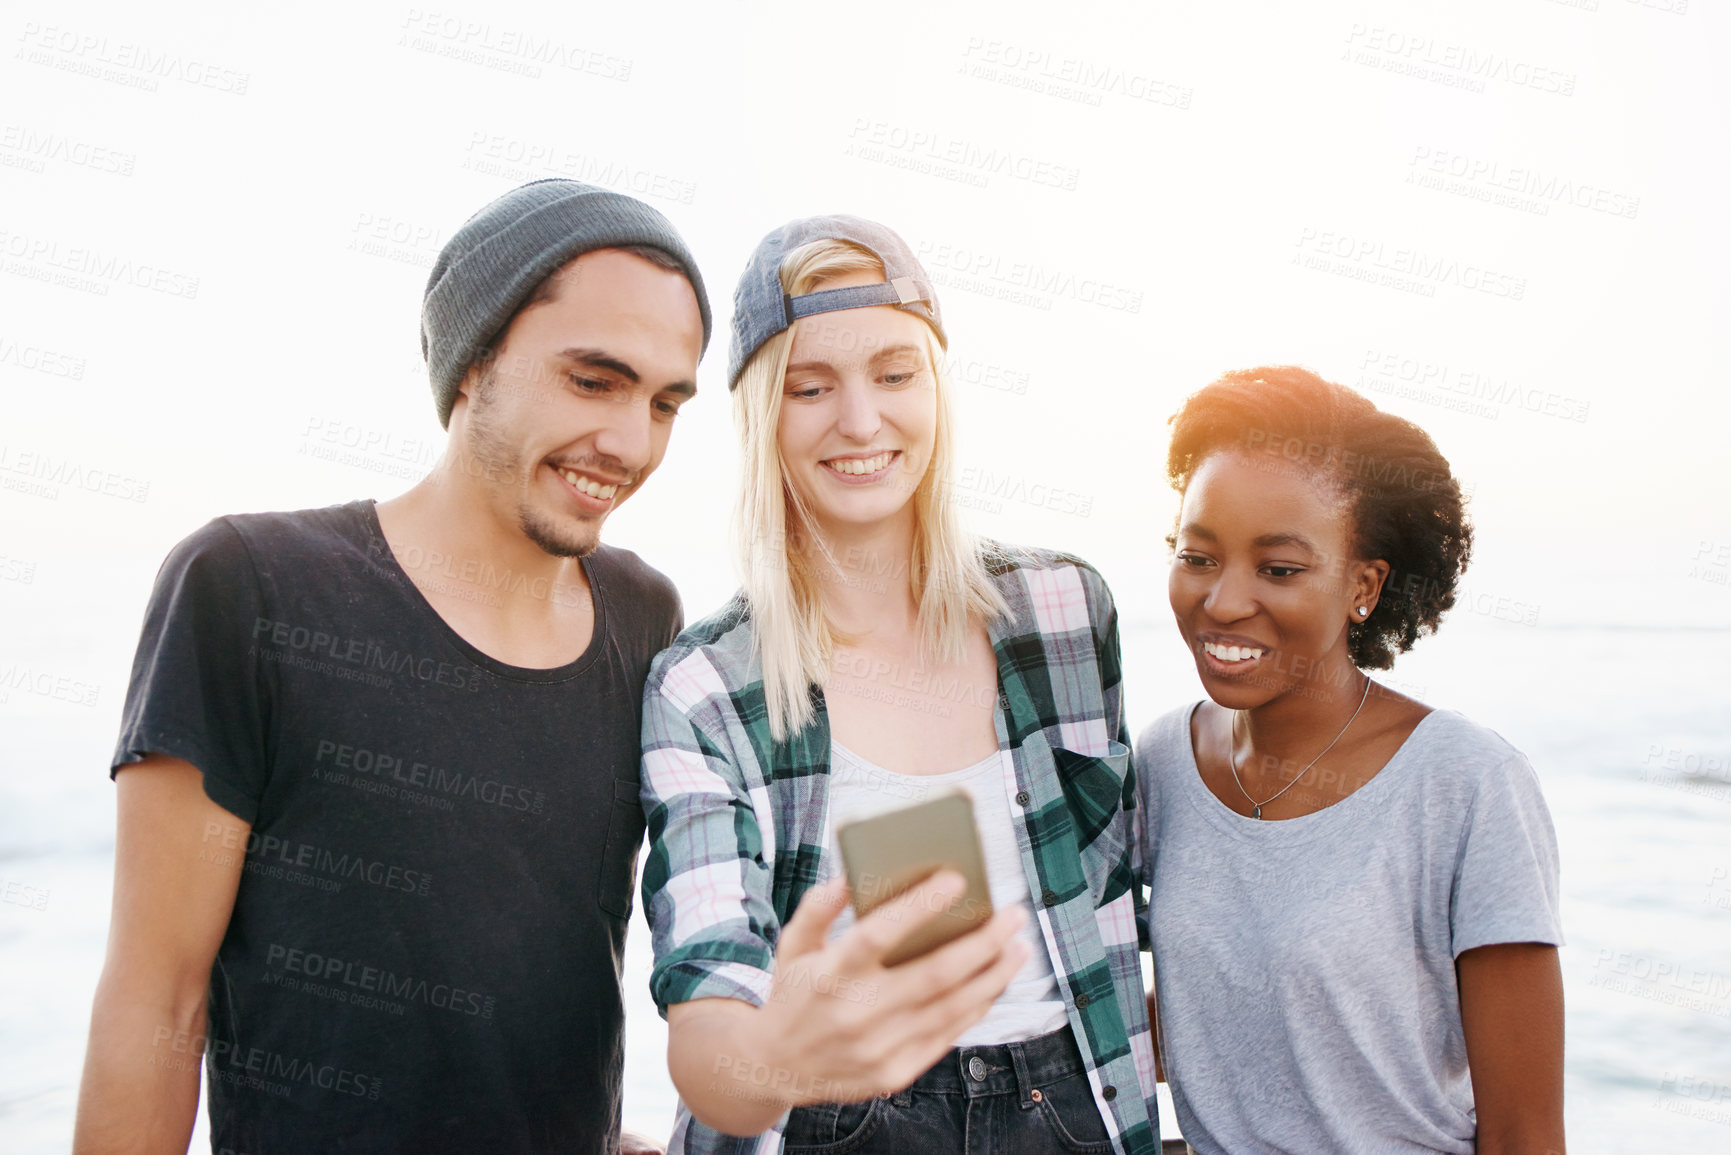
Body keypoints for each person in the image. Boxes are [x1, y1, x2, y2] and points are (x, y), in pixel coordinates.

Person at [72, 179, 710, 1155]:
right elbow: (156, 1003)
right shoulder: (250, 588)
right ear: (472, 362)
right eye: (593, 380)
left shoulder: (646, 615)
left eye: (665, 402)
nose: (630, 442)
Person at [638, 216, 1159, 1154]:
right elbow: (708, 1016)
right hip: (835, 1121)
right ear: (764, 414)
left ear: (937, 388)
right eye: (810, 386)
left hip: (1070, 1110)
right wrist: (775, 1055)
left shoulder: (1063, 611)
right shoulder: (706, 687)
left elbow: (1124, 898)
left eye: (893, 373)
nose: (861, 421)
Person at [1137, 366, 1565, 1154]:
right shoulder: (1163, 760)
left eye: (1279, 568)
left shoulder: (1467, 785)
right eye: (1197, 556)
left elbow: (1524, 1131)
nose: (1224, 601)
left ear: (1362, 585)